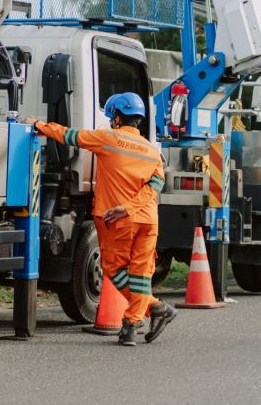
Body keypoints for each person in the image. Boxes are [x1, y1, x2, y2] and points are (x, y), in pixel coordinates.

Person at [22, 93, 176, 346]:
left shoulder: (108, 139)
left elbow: (69, 135)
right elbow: (156, 184)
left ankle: (154, 309)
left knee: (114, 270)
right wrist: (133, 206)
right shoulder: (151, 150)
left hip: (118, 219)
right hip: (148, 219)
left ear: (117, 117)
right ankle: (133, 325)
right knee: (139, 274)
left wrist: (38, 124)